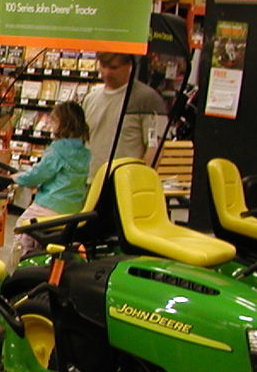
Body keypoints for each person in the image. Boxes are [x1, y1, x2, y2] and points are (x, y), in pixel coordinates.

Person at [11, 100, 91, 263]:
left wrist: (17, 178)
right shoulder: (84, 152)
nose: (50, 124)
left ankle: (19, 265)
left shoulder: (58, 149)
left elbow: (39, 174)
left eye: (53, 121)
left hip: (50, 204)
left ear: (63, 124)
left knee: (21, 226)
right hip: (72, 208)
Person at [82, 52, 167, 178]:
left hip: (124, 183)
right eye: (103, 66)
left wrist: (140, 179)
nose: (107, 73)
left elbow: (154, 147)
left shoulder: (147, 99)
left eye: (113, 67)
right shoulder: (90, 99)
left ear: (129, 66)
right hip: (90, 181)